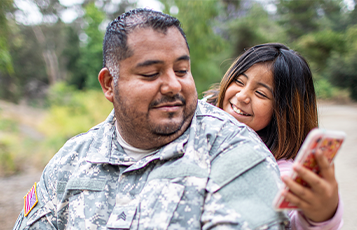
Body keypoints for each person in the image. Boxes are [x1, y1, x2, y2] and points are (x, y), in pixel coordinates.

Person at [13, 9, 289, 229]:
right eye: (150, 74)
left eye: (181, 70)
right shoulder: (72, 160)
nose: (173, 85)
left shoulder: (235, 153)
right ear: (109, 84)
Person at [204, 43, 343, 229]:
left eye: (260, 93)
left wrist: (322, 215)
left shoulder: (280, 170)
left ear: (284, 112)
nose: (242, 96)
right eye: (239, 82)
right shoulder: (199, 114)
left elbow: (291, 218)